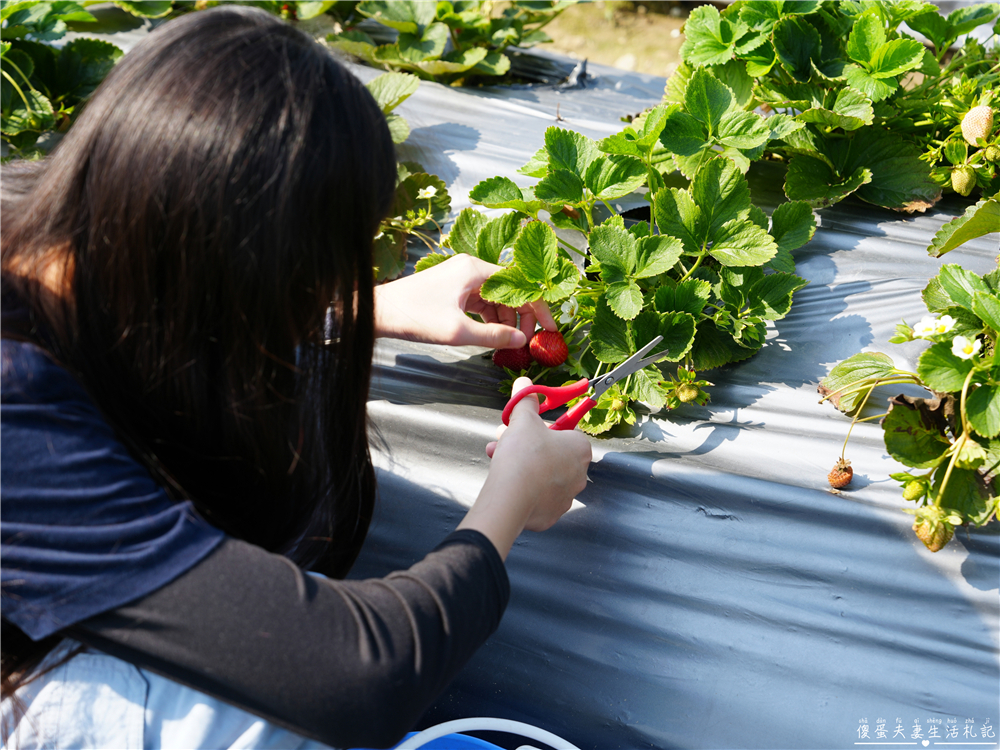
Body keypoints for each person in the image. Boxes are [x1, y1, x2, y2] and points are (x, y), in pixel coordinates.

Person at [0, 6, 592, 749]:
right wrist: (510, 500)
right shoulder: (14, 410)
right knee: (238, 719)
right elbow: (351, 676)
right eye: (301, 271)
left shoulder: (46, 232)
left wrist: (359, 308)